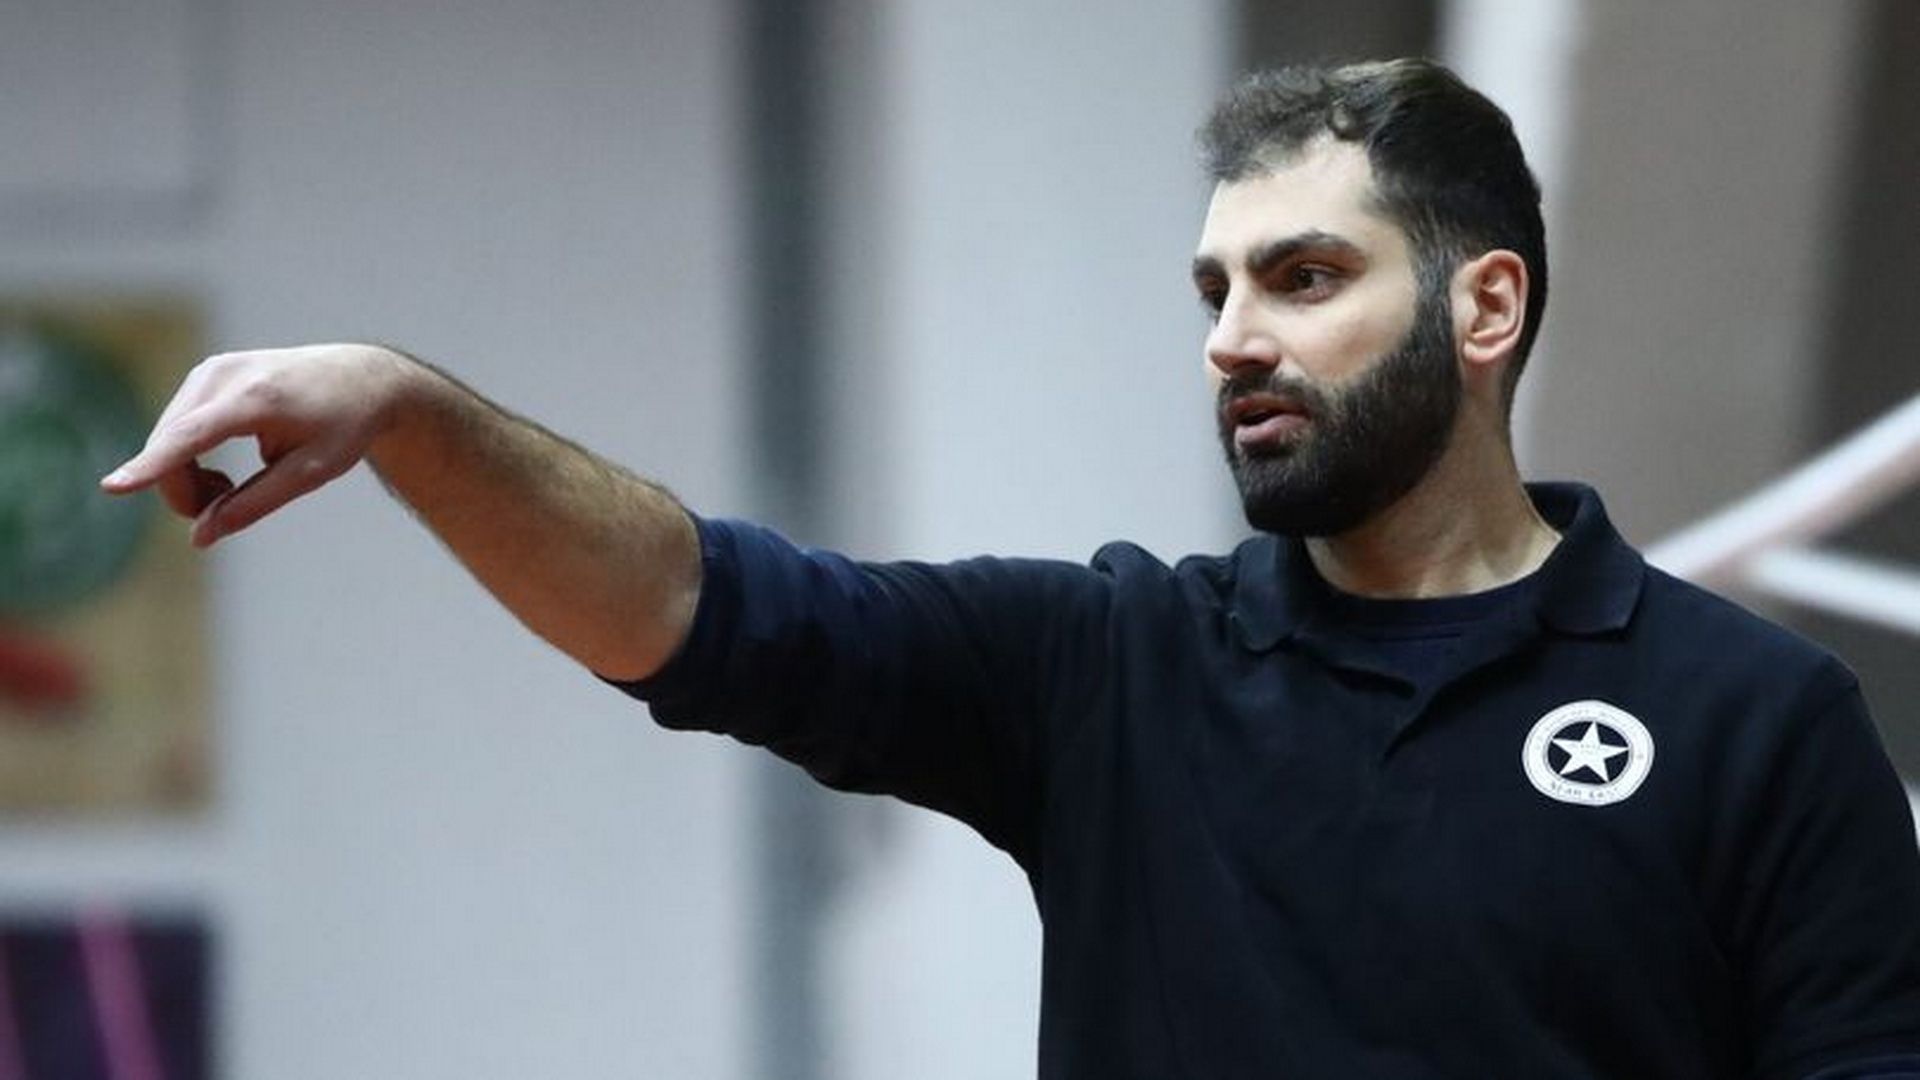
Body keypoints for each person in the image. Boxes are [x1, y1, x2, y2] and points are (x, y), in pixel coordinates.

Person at [102, 59, 1920, 1078]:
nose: (1232, 338)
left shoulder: (1754, 718)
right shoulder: (1110, 664)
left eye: (1302, 279)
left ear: (1486, 306)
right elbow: (691, 609)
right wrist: (413, 416)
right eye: (1213, 291)